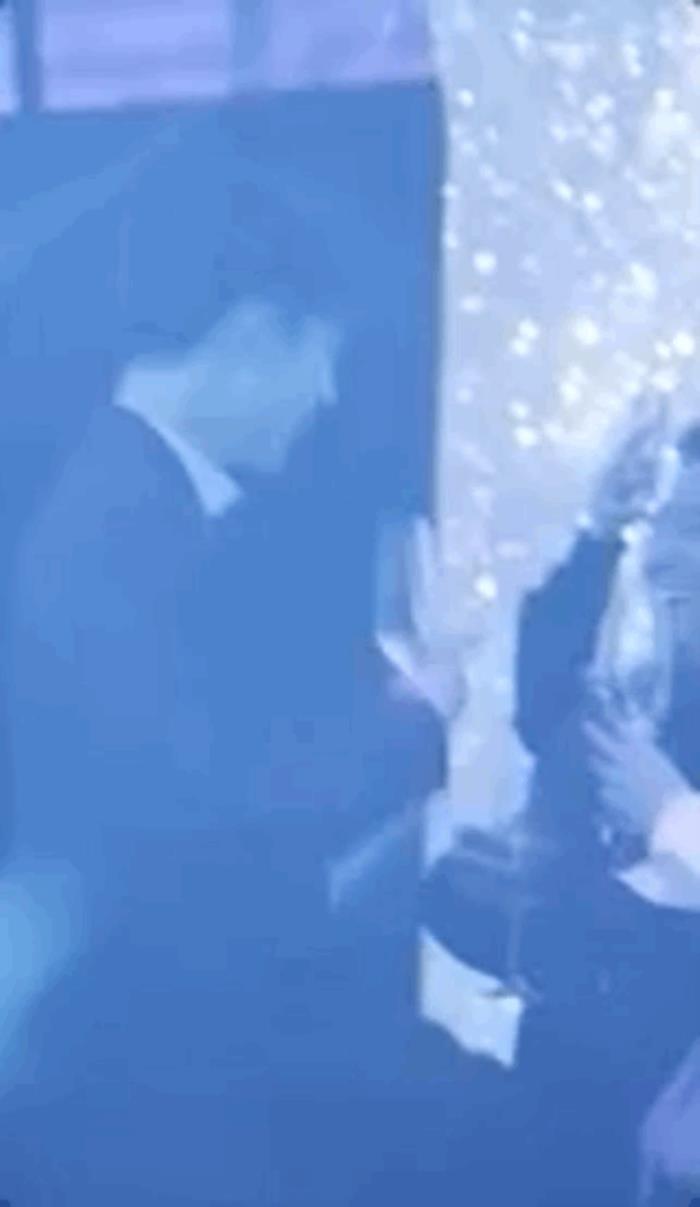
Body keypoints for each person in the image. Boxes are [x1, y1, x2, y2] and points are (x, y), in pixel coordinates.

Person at [511, 407, 700, 1207]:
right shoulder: (660, 672)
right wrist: (599, 534)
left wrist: (676, 818)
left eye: (696, 529)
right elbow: (546, 709)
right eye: (672, 523)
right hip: (582, 1056)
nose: (670, 552)